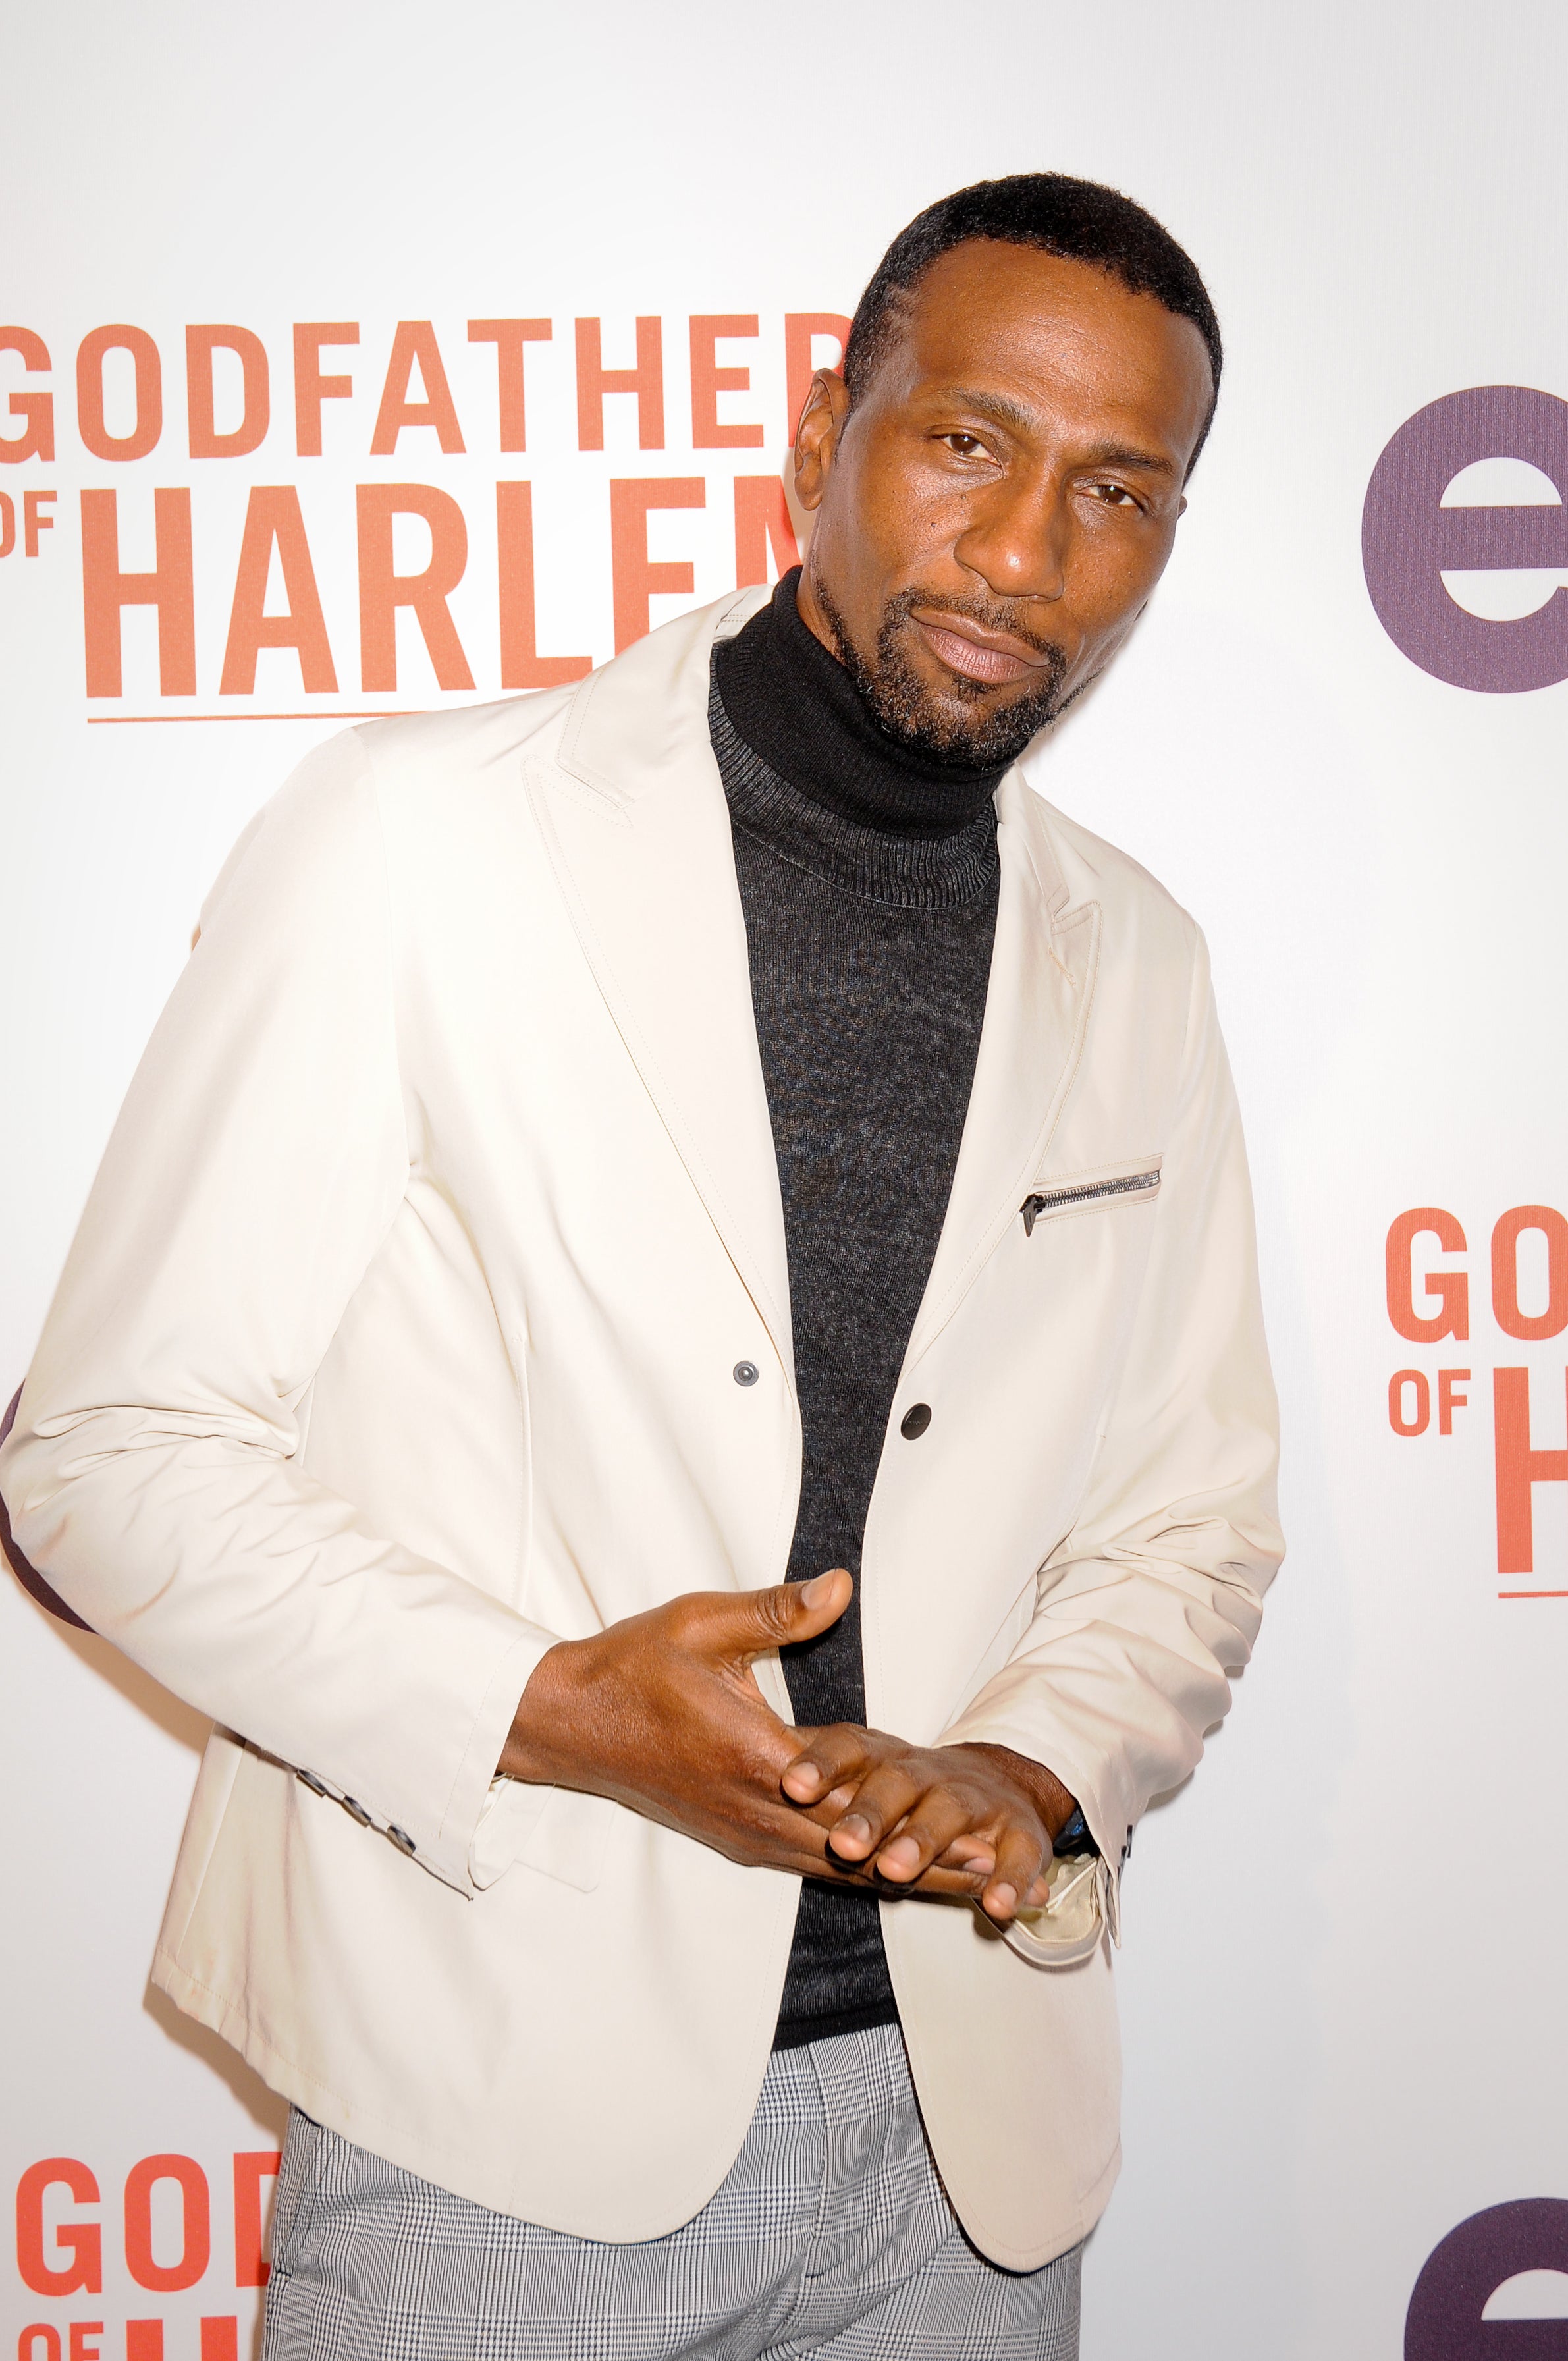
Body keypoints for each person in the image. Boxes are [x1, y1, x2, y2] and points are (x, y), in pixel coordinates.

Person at [0, 173, 1282, 2359]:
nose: (1024, 553)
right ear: (821, 437)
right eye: (968, 441)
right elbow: (103, 1453)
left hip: (967, 2145)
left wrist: (1026, 1771)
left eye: (1117, 490)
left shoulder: (1140, 956)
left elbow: (1192, 1523)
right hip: (484, 2116)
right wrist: (546, 1705)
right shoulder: (421, 836)